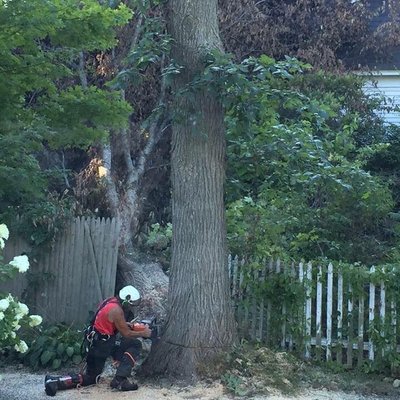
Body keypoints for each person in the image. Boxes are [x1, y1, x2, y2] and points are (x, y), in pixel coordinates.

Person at [44, 285, 152, 396]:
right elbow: (126, 333)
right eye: (130, 305)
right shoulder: (117, 311)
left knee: (92, 377)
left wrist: (125, 324)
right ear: (126, 301)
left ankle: (55, 381)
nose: (130, 308)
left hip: (96, 341)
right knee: (134, 344)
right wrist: (143, 333)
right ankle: (120, 380)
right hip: (103, 345)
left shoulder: (110, 301)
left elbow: (107, 320)